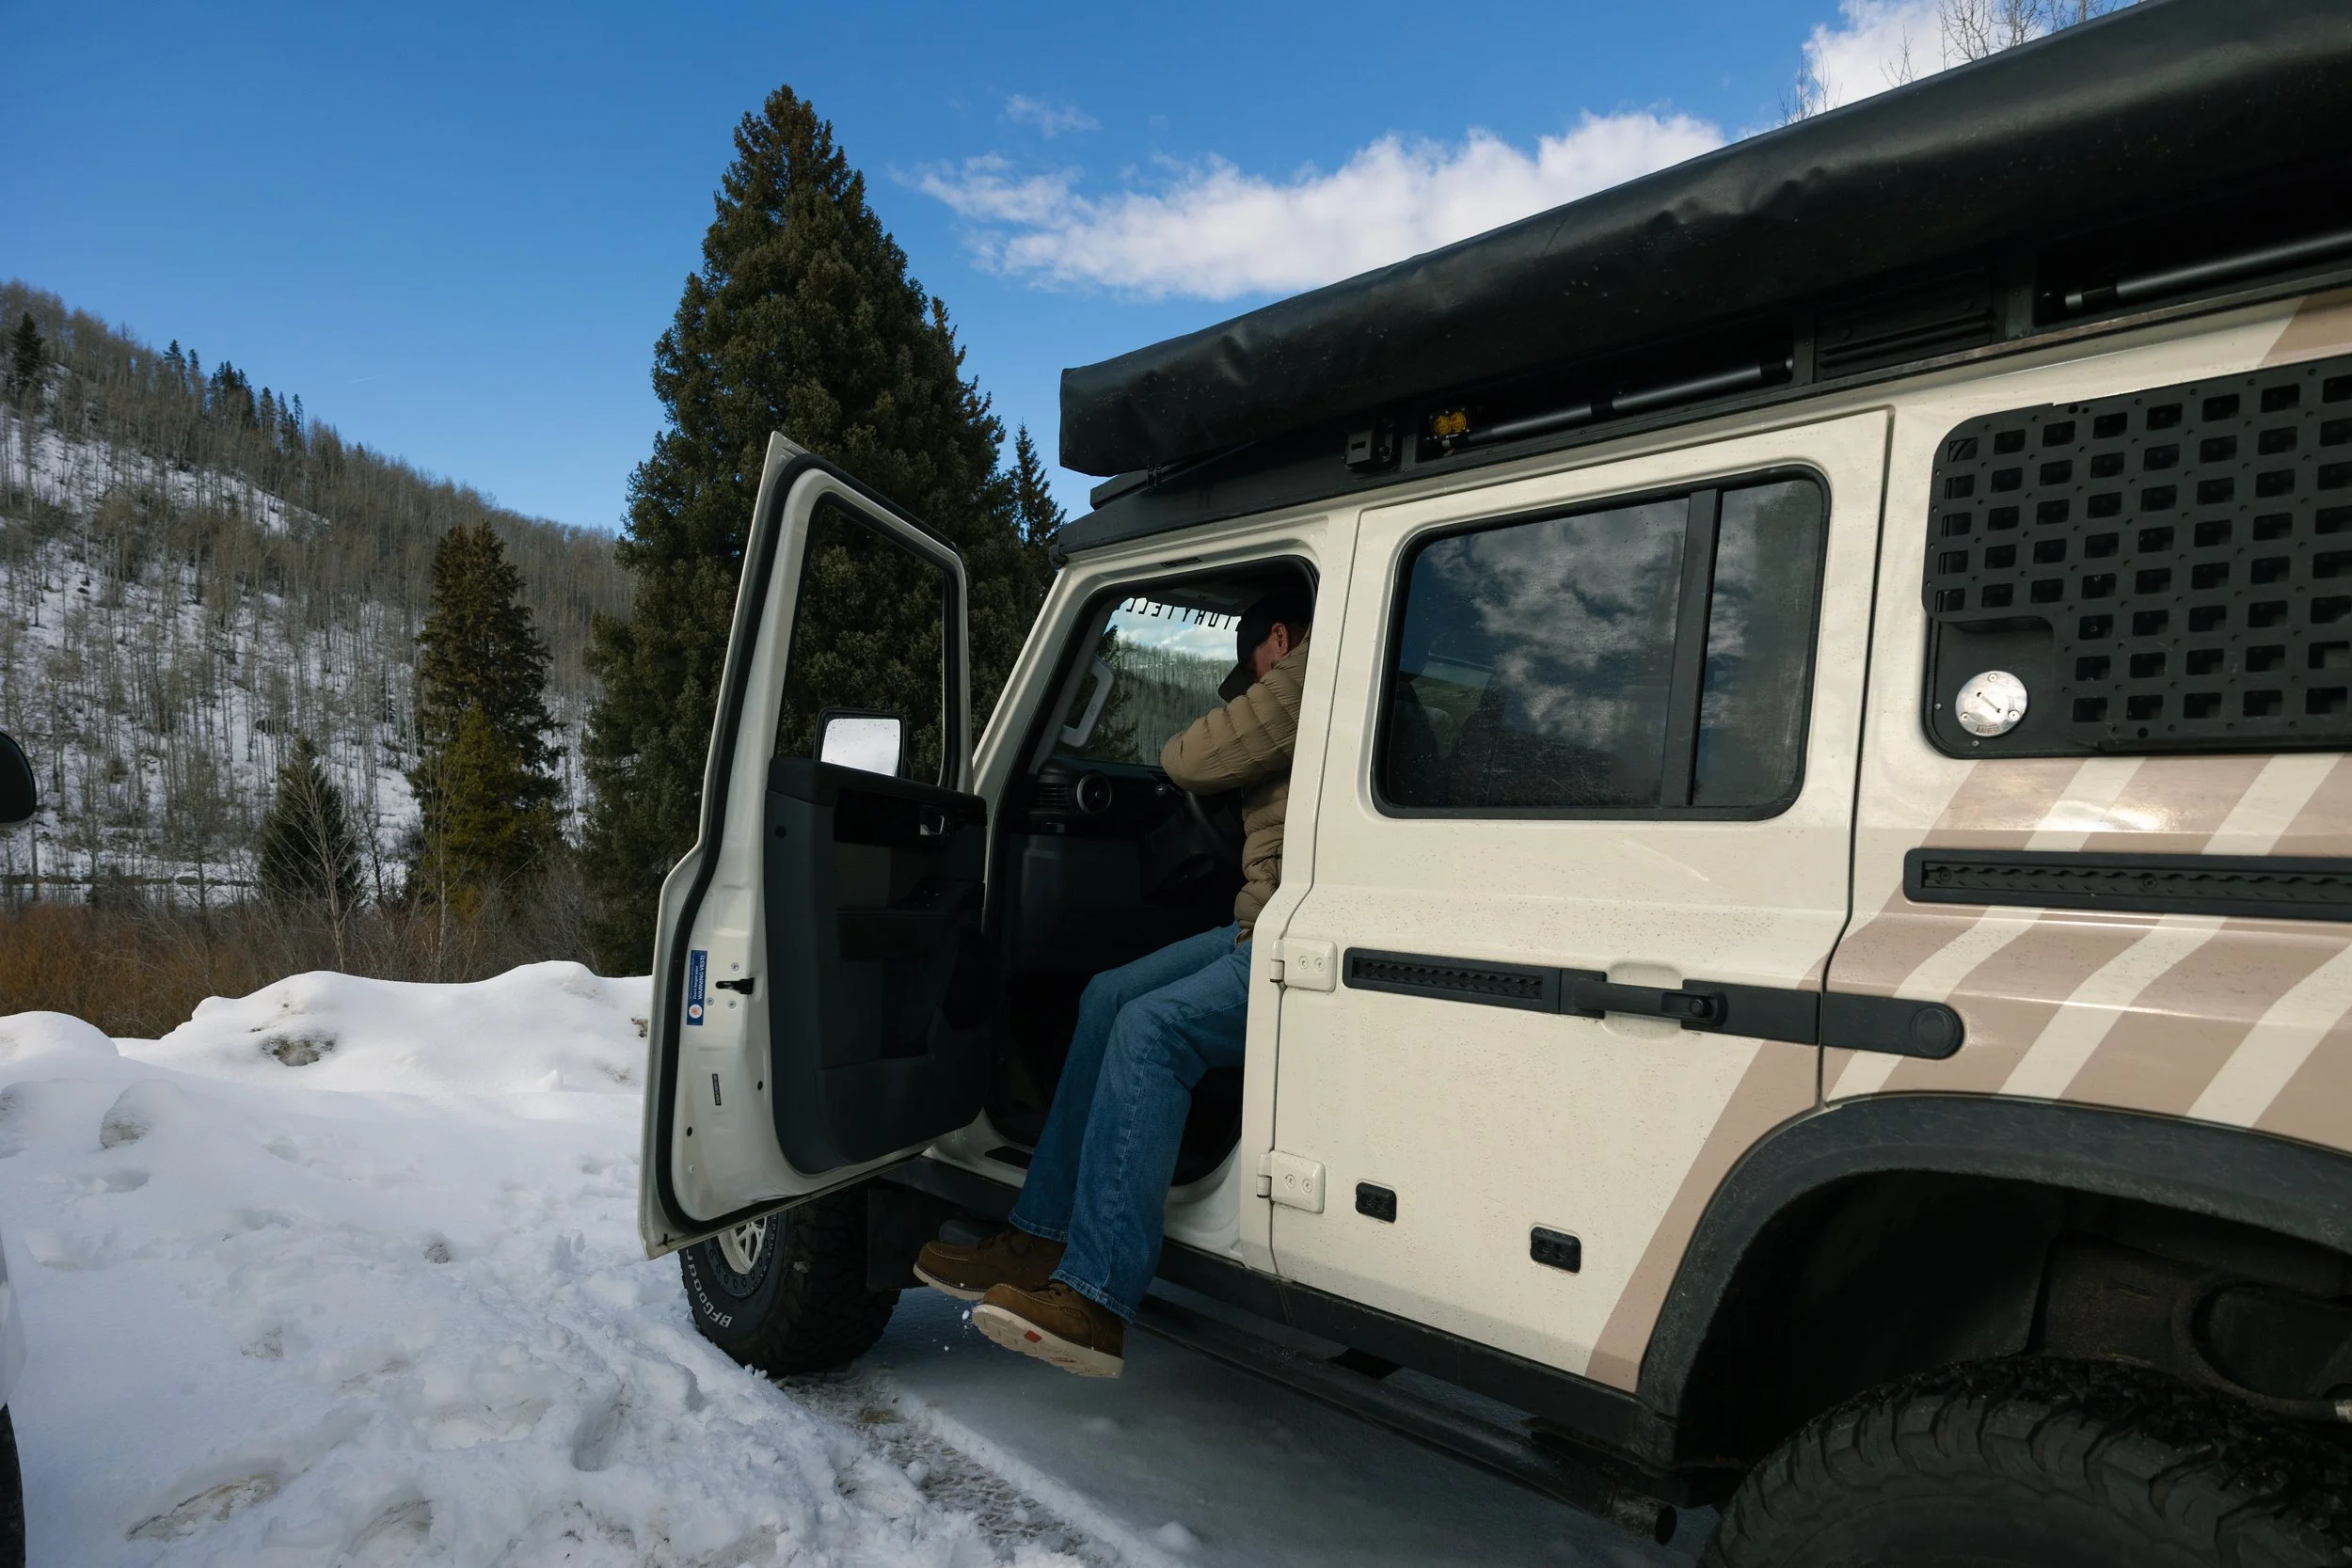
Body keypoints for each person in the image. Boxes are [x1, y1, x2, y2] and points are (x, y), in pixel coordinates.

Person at [913, 588, 1314, 1376]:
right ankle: (1037, 1237)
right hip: (1257, 920)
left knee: (1151, 1030)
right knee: (1106, 995)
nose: (1251, 675)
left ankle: (1096, 1299)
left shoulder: (1308, 672)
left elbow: (1189, 758)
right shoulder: (1316, 681)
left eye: (1250, 659)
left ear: (1276, 635)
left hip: (1290, 933)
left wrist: (1264, 679)